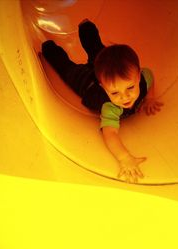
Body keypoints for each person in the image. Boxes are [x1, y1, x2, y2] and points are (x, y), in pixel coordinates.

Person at [42, 19, 163, 184]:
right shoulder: (110, 107)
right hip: (86, 83)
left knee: (98, 51)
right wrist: (124, 158)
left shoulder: (144, 79)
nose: (124, 97)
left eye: (130, 88)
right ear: (104, 88)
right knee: (67, 69)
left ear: (138, 76)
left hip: (107, 72)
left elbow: (150, 75)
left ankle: (87, 28)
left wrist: (150, 98)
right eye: (114, 92)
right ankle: (49, 48)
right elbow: (110, 134)